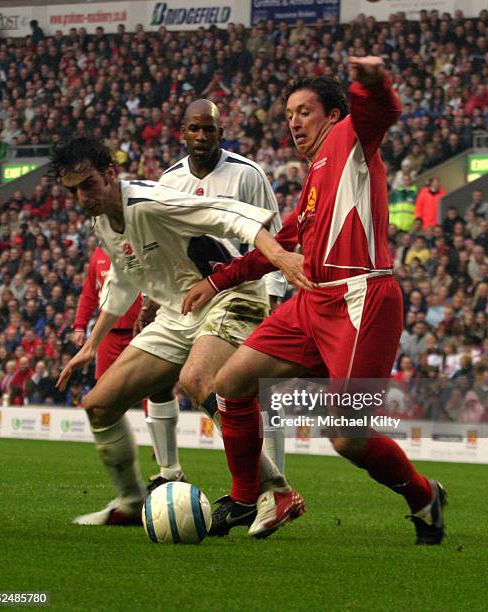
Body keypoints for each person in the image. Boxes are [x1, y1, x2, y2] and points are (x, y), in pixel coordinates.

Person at [183, 57, 447, 543]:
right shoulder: (313, 181)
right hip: (311, 303)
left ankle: (424, 495)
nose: (294, 122)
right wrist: (217, 282)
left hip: (362, 299)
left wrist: (370, 83)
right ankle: (249, 497)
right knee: (231, 382)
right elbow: (278, 249)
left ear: (333, 115)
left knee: (347, 436)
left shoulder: (351, 140)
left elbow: (384, 112)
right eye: (288, 114)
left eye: (304, 111)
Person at [52, 137, 305, 528]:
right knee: (99, 406)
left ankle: (276, 490)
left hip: (230, 294)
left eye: (88, 185)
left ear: (110, 174)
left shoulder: (150, 201)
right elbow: (121, 280)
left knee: (198, 379)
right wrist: (91, 344)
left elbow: (228, 214)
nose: (82, 197)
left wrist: (279, 257)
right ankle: (132, 501)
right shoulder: (102, 221)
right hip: (178, 313)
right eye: (72, 191)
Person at [135, 99, 287, 485]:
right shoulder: (169, 182)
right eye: (195, 129)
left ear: (222, 132)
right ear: (181, 132)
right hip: (189, 296)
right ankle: (169, 471)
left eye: (210, 130)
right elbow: (163, 247)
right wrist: (151, 301)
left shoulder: (247, 175)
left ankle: (272, 483)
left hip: (243, 293)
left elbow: (274, 236)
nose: (202, 137)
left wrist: (274, 296)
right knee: (158, 376)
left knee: (249, 387)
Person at [73, 246, 143, 380]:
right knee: (104, 382)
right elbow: (89, 294)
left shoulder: (136, 245)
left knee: (144, 382)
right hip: (107, 332)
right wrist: (80, 326)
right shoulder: (98, 254)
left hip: (138, 330)